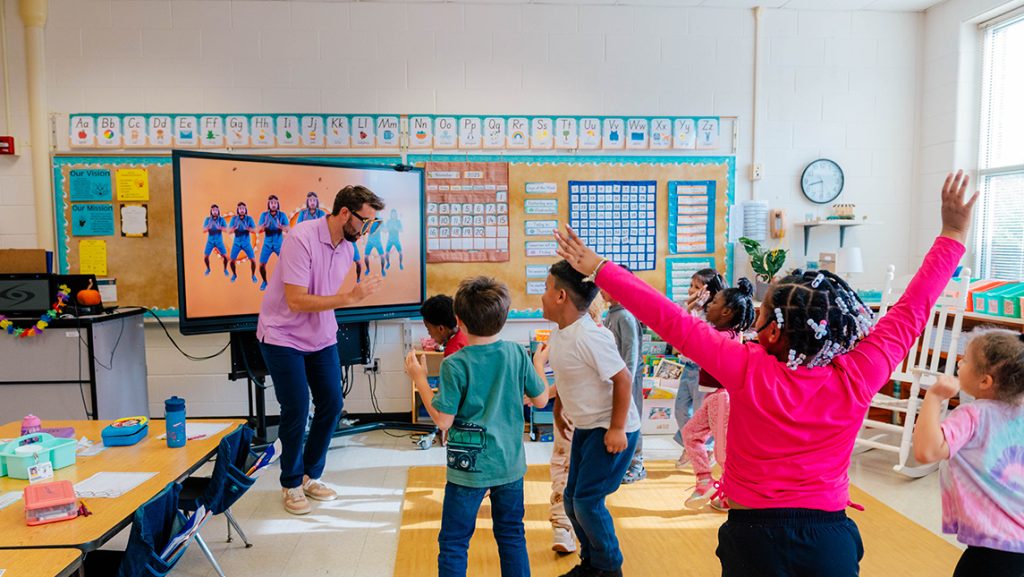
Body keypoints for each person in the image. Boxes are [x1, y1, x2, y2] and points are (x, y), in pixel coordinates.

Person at [553, 170, 978, 577]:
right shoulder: (858, 373)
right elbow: (913, 309)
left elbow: (669, 319)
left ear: (773, 331)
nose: (753, 315)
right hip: (828, 537)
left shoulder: (745, 366)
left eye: (760, 310)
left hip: (753, 535)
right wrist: (953, 235)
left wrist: (601, 268)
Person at [404, 276, 549, 577]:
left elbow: (443, 420)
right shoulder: (516, 354)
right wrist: (537, 364)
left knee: (455, 541)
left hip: (467, 471)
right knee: (511, 536)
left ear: (459, 320)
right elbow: (541, 399)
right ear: (505, 317)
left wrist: (419, 380)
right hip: (509, 465)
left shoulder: (454, 364)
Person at [257, 185, 385, 516]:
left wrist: (344, 301)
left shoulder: (346, 248)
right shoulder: (301, 238)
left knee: (332, 401)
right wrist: (351, 298)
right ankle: (290, 483)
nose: (366, 229)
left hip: (320, 336)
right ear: (345, 213)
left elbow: (321, 299)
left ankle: (311, 476)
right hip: (282, 334)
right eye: (365, 221)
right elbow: (298, 300)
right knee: (297, 406)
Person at [540, 260, 640, 577]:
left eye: (545, 288)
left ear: (561, 297)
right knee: (571, 500)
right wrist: (558, 410)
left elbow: (622, 379)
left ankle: (609, 567)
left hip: (611, 430)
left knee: (587, 502)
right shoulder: (560, 335)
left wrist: (617, 429)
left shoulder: (589, 336)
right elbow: (569, 380)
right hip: (587, 427)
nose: (541, 296)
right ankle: (592, 563)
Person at [912, 328, 1024, 577]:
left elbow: (927, 451)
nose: (959, 364)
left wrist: (933, 398)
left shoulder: (973, 414)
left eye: (965, 359)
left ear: (985, 381)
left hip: (995, 549)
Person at [537, 298, 605, 556]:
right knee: (581, 476)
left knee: (566, 472)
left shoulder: (566, 337)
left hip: (577, 419)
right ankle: (575, 530)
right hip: (585, 419)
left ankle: (566, 528)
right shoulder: (598, 334)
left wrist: (539, 371)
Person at [682, 278, 755, 511]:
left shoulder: (724, 337)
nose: (708, 306)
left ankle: (728, 493)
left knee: (723, 453)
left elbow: (693, 341)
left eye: (713, 302)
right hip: (714, 396)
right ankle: (704, 480)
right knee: (691, 433)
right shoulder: (725, 333)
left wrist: (690, 312)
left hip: (722, 396)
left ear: (726, 311)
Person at [599, 266, 647, 485]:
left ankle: (637, 464)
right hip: (618, 378)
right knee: (622, 418)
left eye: (606, 286)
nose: (601, 290)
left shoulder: (625, 316)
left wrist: (624, 379)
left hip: (629, 378)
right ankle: (624, 462)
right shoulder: (612, 313)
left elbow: (631, 352)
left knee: (632, 418)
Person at [674, 268, 725, 467]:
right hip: (687, 367)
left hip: (702, 371)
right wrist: (691, 308)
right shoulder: (690, 309)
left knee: (699, 414)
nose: (690, 290)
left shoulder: (713, 317)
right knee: (680, 410)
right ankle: (691, 445)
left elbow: (698, 337)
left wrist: (694, 311)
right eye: (690, 285)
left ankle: (704, 449)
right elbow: (679, 328)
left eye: (696, 287)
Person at [258, 194, 291, 291]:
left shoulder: (282, 215)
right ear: (268, 204)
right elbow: (258, 230)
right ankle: (264, 281)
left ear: (278, 204)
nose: (273, 205)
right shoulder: (264, 215)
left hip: (279, 243)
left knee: (285, 264)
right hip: (267, 244)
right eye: (271, 203)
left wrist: (280, 226)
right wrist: (264, 226)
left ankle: (286, 283)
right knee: (261, 265)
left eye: (275, 203)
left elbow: (289, 229)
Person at [228, 201, 257, 283]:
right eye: (240, 208)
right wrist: (234, 228)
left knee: (253, 260)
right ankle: (234, 274)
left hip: (246, 243)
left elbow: (254, 230)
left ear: (245, 210)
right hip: (236, 243)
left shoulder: (249, 219)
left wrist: (248, 228)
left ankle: (253, 275)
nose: (242, 210)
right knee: (232, 261)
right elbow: (229, 231)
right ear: (238, 210)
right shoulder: (234, 219)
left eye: (243, 208)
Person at [202, 204, 229, 277]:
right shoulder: (207, 219)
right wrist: (208, 227)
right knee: (205, 257)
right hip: (210, 241)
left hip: (219, 241)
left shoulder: (221, 219)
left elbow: (227, 230)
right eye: (213, 210)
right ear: (211, 211)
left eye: (216, 210)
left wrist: (220, 227)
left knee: (226, 257)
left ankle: (225, 269)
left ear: (218, 211)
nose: (215, 212)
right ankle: (208, 269)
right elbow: (204, 230)